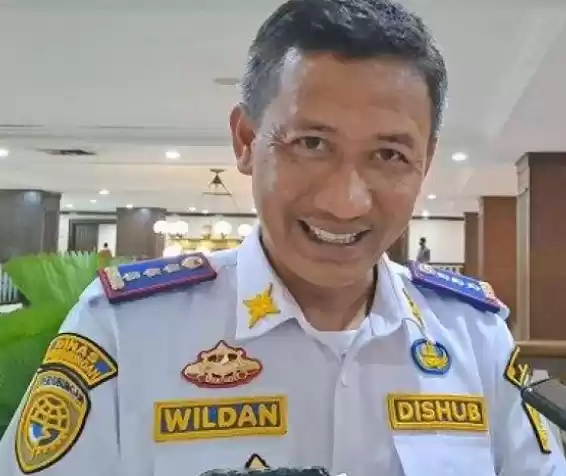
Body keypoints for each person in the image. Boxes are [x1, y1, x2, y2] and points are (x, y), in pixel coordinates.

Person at [1, 1, 564, 475]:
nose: (346, 202)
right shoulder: (127, 331)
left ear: (426, 161)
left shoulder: (474, 336)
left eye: (389, 154)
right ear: (246, 140)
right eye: (311, 144)